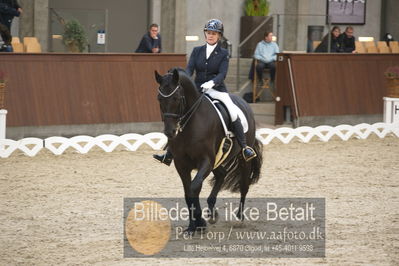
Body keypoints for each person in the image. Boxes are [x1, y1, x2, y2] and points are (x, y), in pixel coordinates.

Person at [153, 19, 256, 166]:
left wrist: (212, 82)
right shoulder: (197, 51)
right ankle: (169, 152)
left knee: (233, 112)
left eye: (214, 33)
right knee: (180, 113)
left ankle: (245, 147)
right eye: (208, 33)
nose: (211, 35)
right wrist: (184, 79)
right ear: (205, 34)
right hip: (197, 89)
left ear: (219, 36)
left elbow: (222, 74)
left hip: (217, 90)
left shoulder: (223, 53)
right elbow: (189, 70)